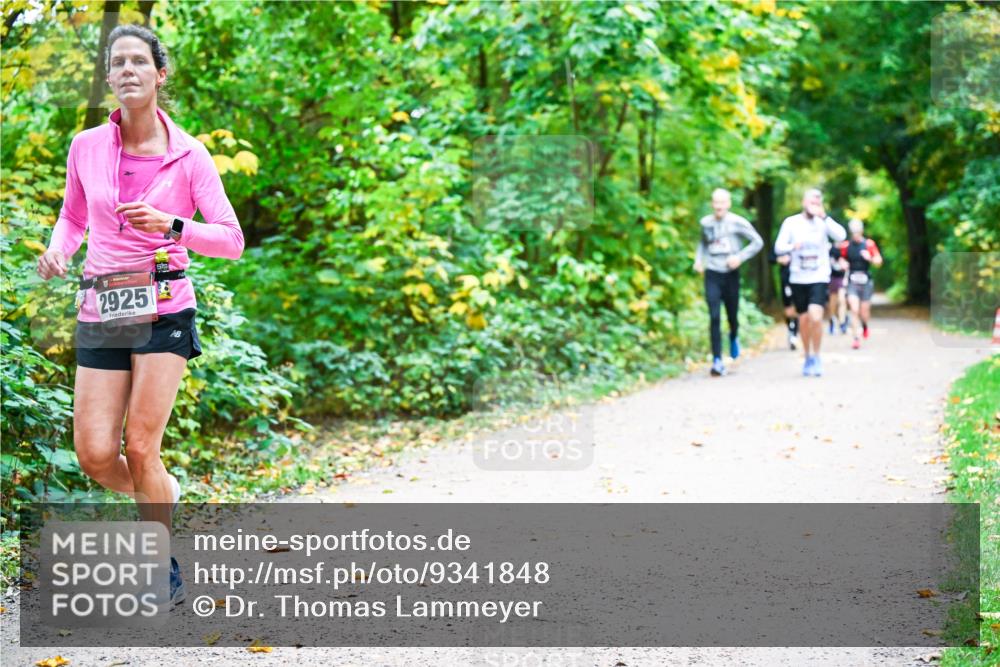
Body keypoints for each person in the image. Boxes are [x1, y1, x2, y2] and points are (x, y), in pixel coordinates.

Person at [36, 25, 244, 606]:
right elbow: (73, 218)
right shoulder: (86, 147)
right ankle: (162, 494)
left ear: (160, 74)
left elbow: (231, 240)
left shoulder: (189, 155)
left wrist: (172, 225)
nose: (127, 70)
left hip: (164, 307)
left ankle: (160, 563)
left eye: (138, 61)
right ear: (109, 78)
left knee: (140, 446)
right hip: (104, 305)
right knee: (96, 454)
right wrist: (60, 249)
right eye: (117, 62)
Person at [773, 188, 846, 377]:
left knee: (815, 316)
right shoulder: (791, 223)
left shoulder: (823, 223)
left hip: (819, 277)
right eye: (811, 202)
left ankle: (817, 355)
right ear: (803, 203)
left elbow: (841, 236)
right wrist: (792, 247)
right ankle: (807, 357)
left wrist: (824, 216)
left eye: (817, 202)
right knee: (804, 320)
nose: (814, 205)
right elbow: (778, 247)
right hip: (798, 277)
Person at [694, 188, 764, 376]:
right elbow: (702, 243)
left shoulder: (737, 222)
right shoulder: (706, 223)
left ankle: (734, 336)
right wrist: (699, 260)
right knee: (714, 316)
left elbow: (757, 242)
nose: (719, 207)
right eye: (716, 203)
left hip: (731, 272)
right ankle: (717, 360)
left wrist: (740, 257)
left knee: (732, 314)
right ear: (712, 204)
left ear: (728, 203)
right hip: (712, 273)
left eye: (722, 203)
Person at [842, 219, 883, 349]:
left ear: (862, 231)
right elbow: (840, 257)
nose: (856, 235)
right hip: (852, 281)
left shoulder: (869, 244)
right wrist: (843, 263)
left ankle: (864, 325)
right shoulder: (846, 246)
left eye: (858, 232)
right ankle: (856, 338)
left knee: (864, 312)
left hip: (866, 281)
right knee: (854, 309)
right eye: (853, 232)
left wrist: (869, 258)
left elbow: (879, 261)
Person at [769, 249, 800, 350]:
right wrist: (780, 259)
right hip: (785, 280)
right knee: (788, 309)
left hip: (799, 279)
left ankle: (794, 333)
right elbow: (771, 258)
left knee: (797, 307)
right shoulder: (780, 244)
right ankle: (791, 330)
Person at [827, 242, 849, 335]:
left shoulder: (846, 249)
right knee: (833, 302)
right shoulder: (829, 249)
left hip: (841, 278)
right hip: (832, 278)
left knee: (842, 300)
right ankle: (832, 320)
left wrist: (846, 277)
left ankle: (842, 322)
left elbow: (849, 264)